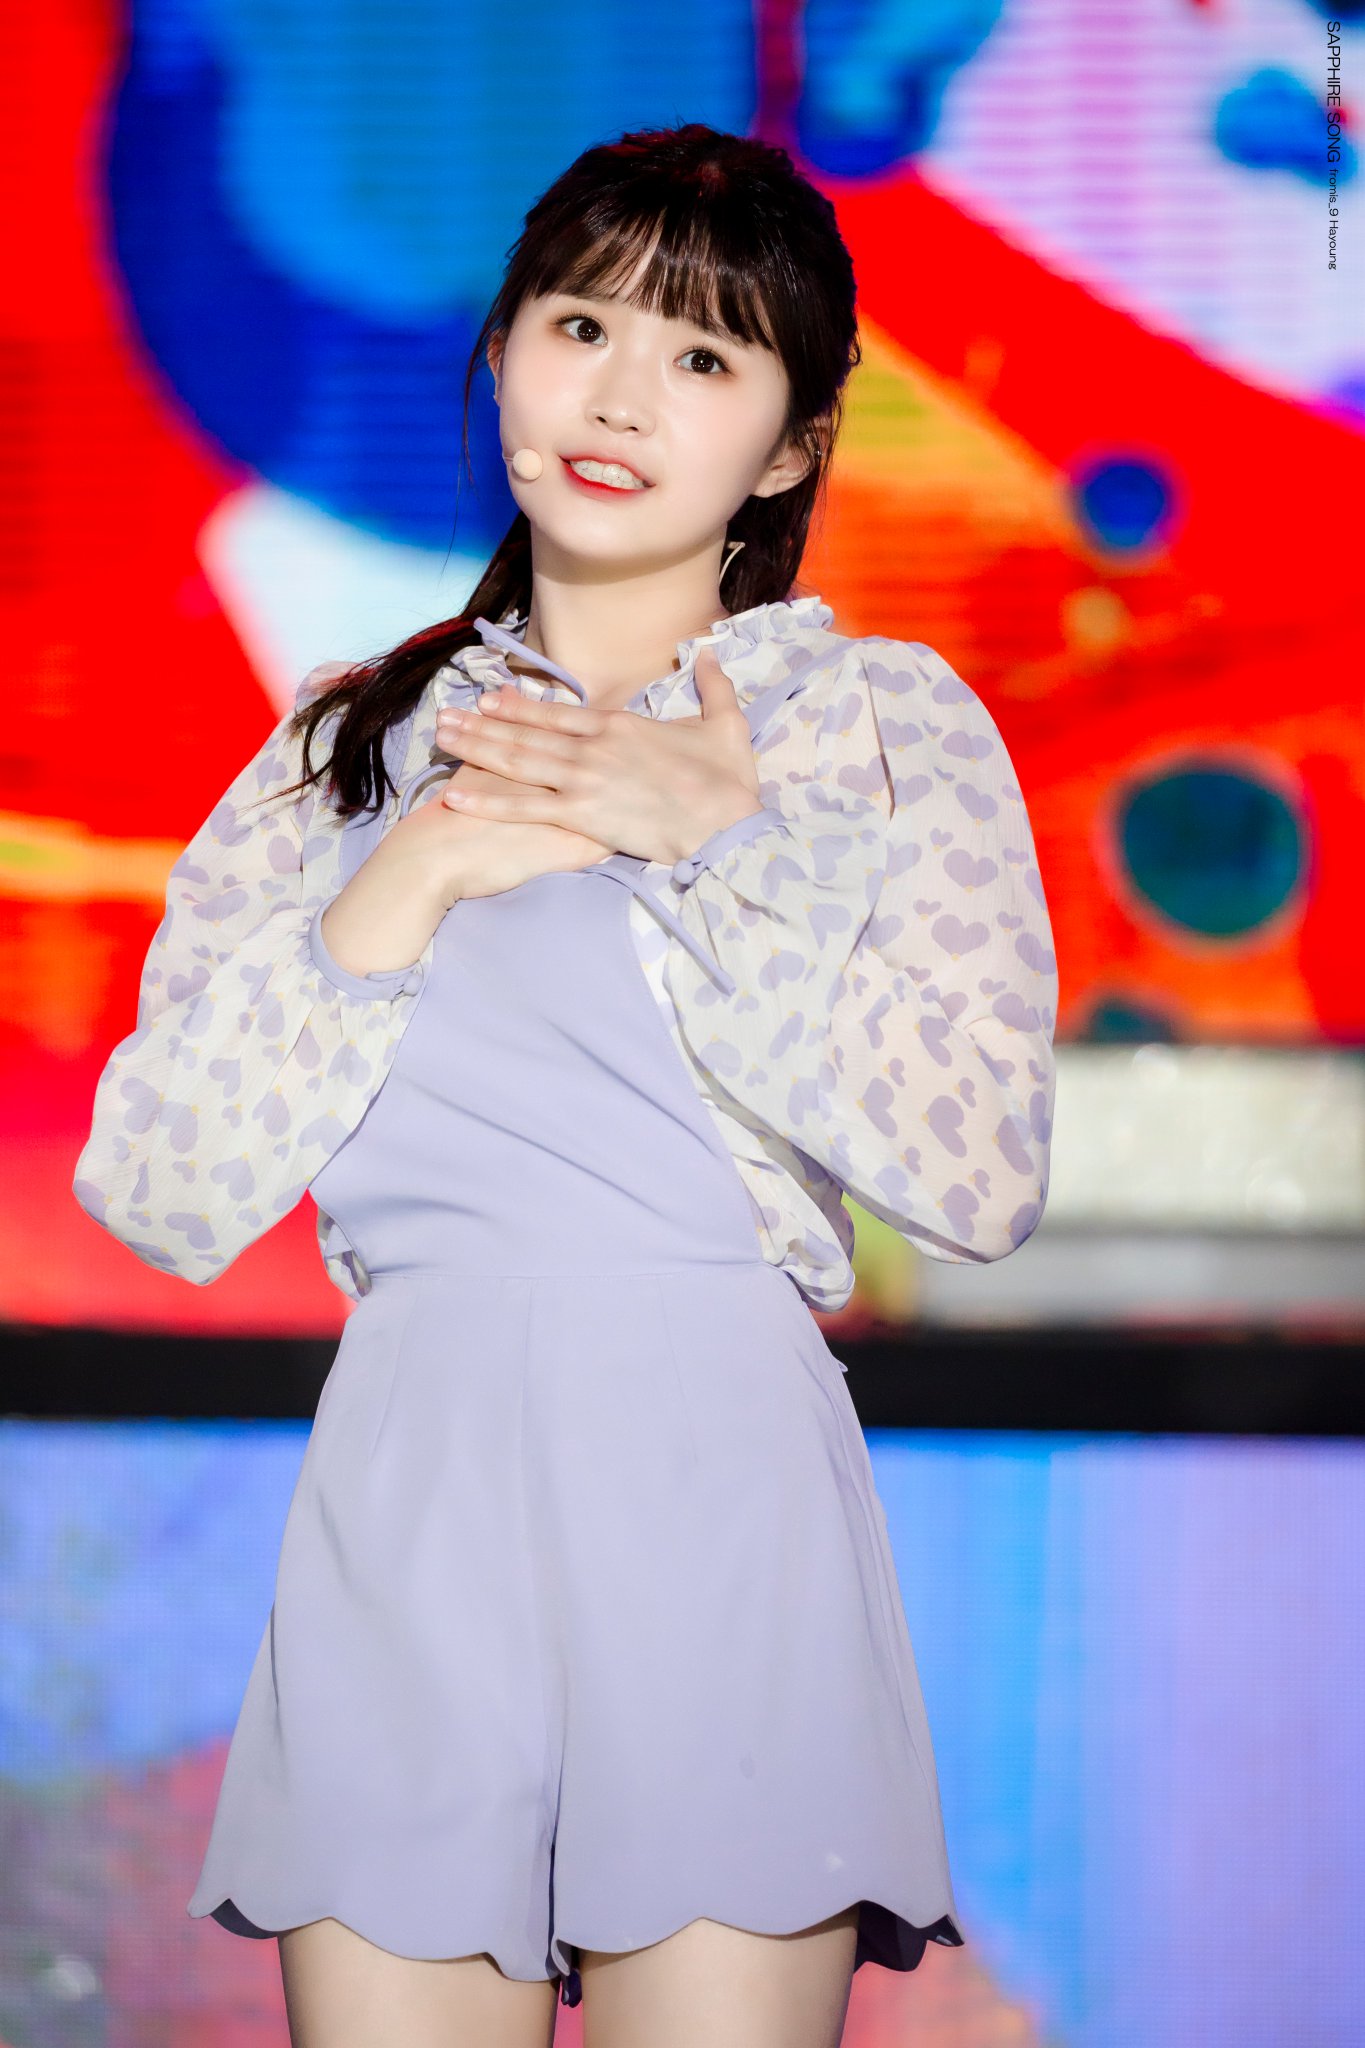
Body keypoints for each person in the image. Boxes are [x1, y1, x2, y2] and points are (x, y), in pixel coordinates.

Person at [73, 123, 1057, 2048]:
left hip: (715, 1478)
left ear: (788, 447)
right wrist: (407, 883)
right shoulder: (342, 752)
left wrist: (708, 845)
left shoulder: (873, 728)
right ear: (504, 351)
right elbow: (160, 1189)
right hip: (412, 1480)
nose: (619, 397)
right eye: (580, 326)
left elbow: (976, 1176)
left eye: (701, 356)